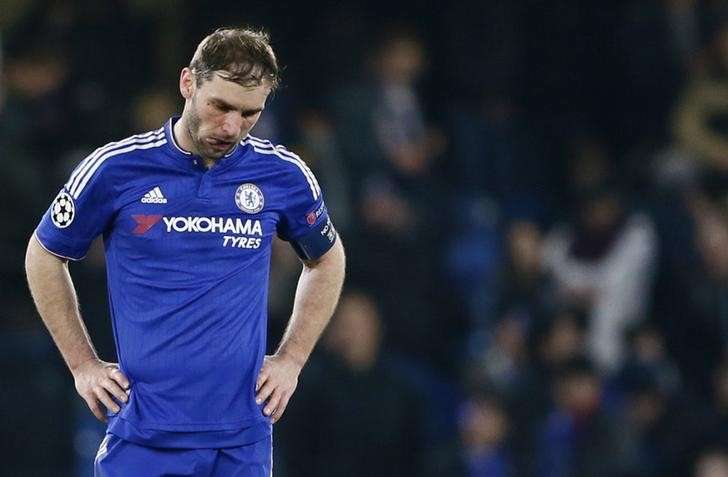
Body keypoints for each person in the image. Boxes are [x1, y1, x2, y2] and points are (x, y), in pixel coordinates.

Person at [24, 27, 346, 476]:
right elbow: (42, 254)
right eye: (221, 106)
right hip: (143, 435)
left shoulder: (283, 175)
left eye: (249, 113)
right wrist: (83, 365)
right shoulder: (116, 168)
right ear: (188, 83)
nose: (232, 127)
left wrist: (291, 359)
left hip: (242, 440)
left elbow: (327, 258)